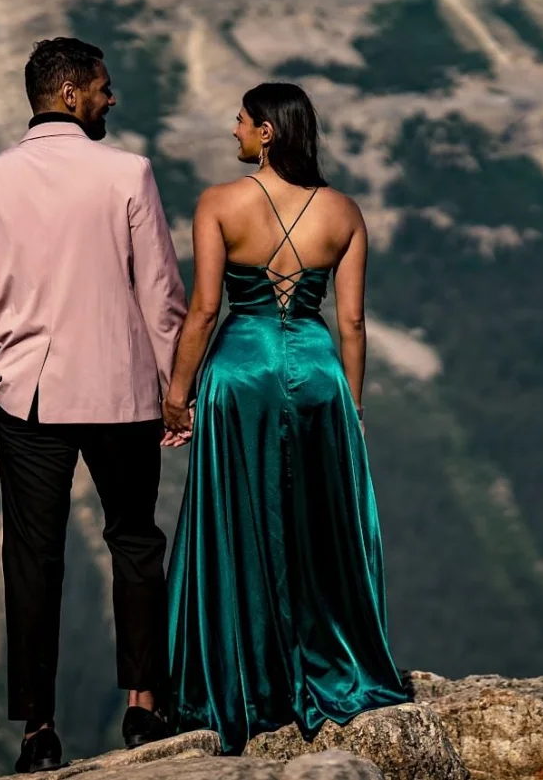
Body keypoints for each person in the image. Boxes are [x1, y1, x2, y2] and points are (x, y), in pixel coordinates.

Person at [0, 37, 187, 772]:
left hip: (29, 396)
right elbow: (162, 295)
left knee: (32, 557)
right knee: (136, 540)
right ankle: (143, 707)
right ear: (73, 93)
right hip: (122, 391)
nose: (112, 99)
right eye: (104, 88)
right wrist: (174, 392)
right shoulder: (129, 175)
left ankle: (37, 729)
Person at [160, 82, 411, 753]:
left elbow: (205, 308)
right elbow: (352, 321)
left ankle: (246, 682)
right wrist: (351, 408)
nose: (232, 131)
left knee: (239, 520)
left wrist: (175, 393)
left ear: (268, 131)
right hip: (319, 373)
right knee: (319, 525)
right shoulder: (344, 211)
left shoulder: (217, 203)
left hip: (241, 373)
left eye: (241, 121)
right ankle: (334, 665)